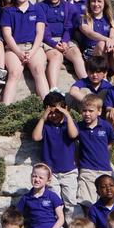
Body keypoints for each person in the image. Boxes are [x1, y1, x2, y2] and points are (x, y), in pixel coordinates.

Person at [1, 0, 49, 104]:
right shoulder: (7, 10)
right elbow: (7, 35)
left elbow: (40, 33)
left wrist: (32, 52)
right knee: (14, 73)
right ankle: (4, 110)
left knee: (39, 70)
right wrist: (18, 52)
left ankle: (50, 107)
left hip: (34, 47)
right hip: (13, 48)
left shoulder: (38, 9)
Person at [32, 91, 79, 220]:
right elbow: (36, 137)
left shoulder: (68, 124)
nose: (54, 115)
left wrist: (67, 116)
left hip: (69, 171)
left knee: (71, 202)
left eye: (57, 112)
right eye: (50, 112)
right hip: (51, 173)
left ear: (65, 109)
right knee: (55, 203)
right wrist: (43, 118)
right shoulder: (45, 126)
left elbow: (74, 135)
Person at [40, 0, 86, 86]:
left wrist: (65, 41)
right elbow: (43, 29)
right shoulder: (40, 7)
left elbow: (69, 27)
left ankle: (86, 81)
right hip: (47, 41)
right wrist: (54, 44)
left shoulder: (69, 7)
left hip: (66, 39)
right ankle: (53, 88)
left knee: (76, 53)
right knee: (57, 56)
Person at [75, 94, 114, 207]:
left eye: (90, 111)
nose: (87, 114)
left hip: (104, 169)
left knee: (105, 201)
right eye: (84, 110)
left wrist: (104, 151)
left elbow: (111, 141)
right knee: (86, 201)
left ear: (99, 111)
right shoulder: (78, 127)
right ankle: (89, 224)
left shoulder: (106, 126)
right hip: (87, 169)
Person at [78, 0, 114, 69]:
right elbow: (90, 33)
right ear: (89, 2)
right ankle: (103, 77)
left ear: (104, 3)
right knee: (102, 44)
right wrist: (106, 40)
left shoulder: (110, 19)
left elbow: (113, 34)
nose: (96, 4)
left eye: (99, 1)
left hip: (107, 52)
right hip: (90, 55)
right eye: (93, 1)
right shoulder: (83, 19)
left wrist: (111, 43)